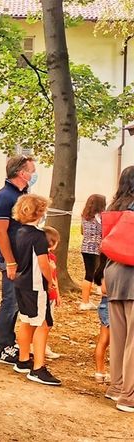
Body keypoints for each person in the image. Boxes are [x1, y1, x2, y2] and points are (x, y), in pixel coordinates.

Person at [0, 154, 37, 365]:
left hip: (22, 257)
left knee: (17, 302)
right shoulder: (5, 196)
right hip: (11, 259)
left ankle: (8, 342)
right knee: (10, 302)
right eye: (31, 170)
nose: (34, 174)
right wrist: (9, 261)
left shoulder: (22, 194)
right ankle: (0, 347)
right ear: (21, 172)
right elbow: (1, 232)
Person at [9, 194, 61, 386]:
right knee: (43, 323)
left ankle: (23, 359)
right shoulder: (39, 236)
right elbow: (43, 262)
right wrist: (50, 281)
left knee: (26, 320)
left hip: (21, 283)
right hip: (36, 285)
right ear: (39, 212)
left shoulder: (19, 232)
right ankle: (38, 368)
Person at [104, 165, 134, 412]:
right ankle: (129, 396)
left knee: (119, 336)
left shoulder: (114, 207)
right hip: (132, 274)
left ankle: (116, 386)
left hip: (114, 273)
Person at [79, 194, 107, 311]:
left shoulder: (84, 216)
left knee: (88, 273)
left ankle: (85, 301)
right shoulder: (100, 217)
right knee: (100, 271)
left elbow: (82, 231)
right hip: (97, 248)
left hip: (85, 247)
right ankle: (87, 301)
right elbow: (103, 231)